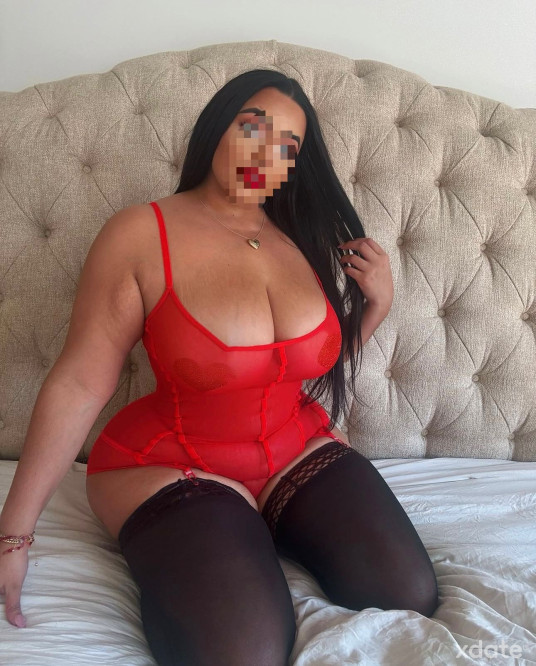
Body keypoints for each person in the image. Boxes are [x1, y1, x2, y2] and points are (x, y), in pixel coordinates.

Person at [0, 69, 439, 665]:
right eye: (252, 128)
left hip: (292, 449)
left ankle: (259, 525)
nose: (266, 154)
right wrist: (14, 534)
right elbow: (80, 381)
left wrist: (376, 306)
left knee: (408, 593)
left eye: (288, 146)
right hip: (173, 464)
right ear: (217, 128)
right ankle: (227, 532)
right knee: (242, 653)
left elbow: (298, 368)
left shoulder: (301, 235)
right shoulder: (140, 233)